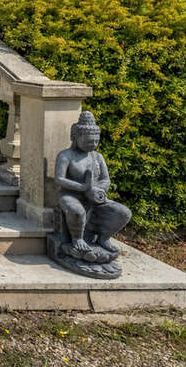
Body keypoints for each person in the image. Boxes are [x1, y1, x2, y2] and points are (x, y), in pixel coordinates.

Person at [54, 110, 131, 258]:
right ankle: (77, 239)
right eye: (89, 141)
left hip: (95, 196)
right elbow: (59, 179)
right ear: (76, 137)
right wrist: (82, 188)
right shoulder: (65, 156)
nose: (93, 144)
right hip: (71, 195)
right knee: (77, 211)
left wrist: (96, 190)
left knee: (123, 213)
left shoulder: (98, 157)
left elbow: (105, 179)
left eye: (96, 141)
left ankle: (103, 238)